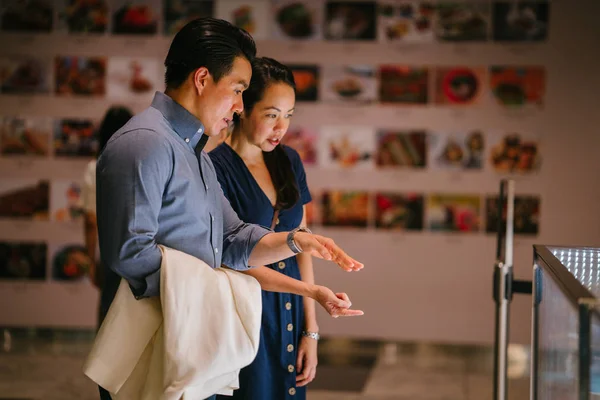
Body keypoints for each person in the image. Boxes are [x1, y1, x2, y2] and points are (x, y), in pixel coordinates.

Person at [95, 18, 363, 400]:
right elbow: (129, 253)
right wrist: (215, 289)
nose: (239, 106)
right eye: (237, 89)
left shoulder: (193, 152)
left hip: (191, 345)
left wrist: (297, 241)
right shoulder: (145, 143)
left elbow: (231, 236)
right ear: (202, 79)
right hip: (154, 345)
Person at [209, 57, 327, 400]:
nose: (281, 128)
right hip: (245, 311)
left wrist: (312, 330)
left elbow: (303, 243)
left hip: (291, 306)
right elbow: (231, 257)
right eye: (271, 115)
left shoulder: (288, 160)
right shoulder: (215, 168)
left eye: (288, 116)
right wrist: (312, 294)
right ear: (244, 108)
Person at [81, 106, 132, 326]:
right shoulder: (140, 164)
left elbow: (91, 221)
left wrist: (91, 260)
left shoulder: (95, 167)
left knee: (108, 321)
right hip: (144, 250)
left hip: (111, 254)